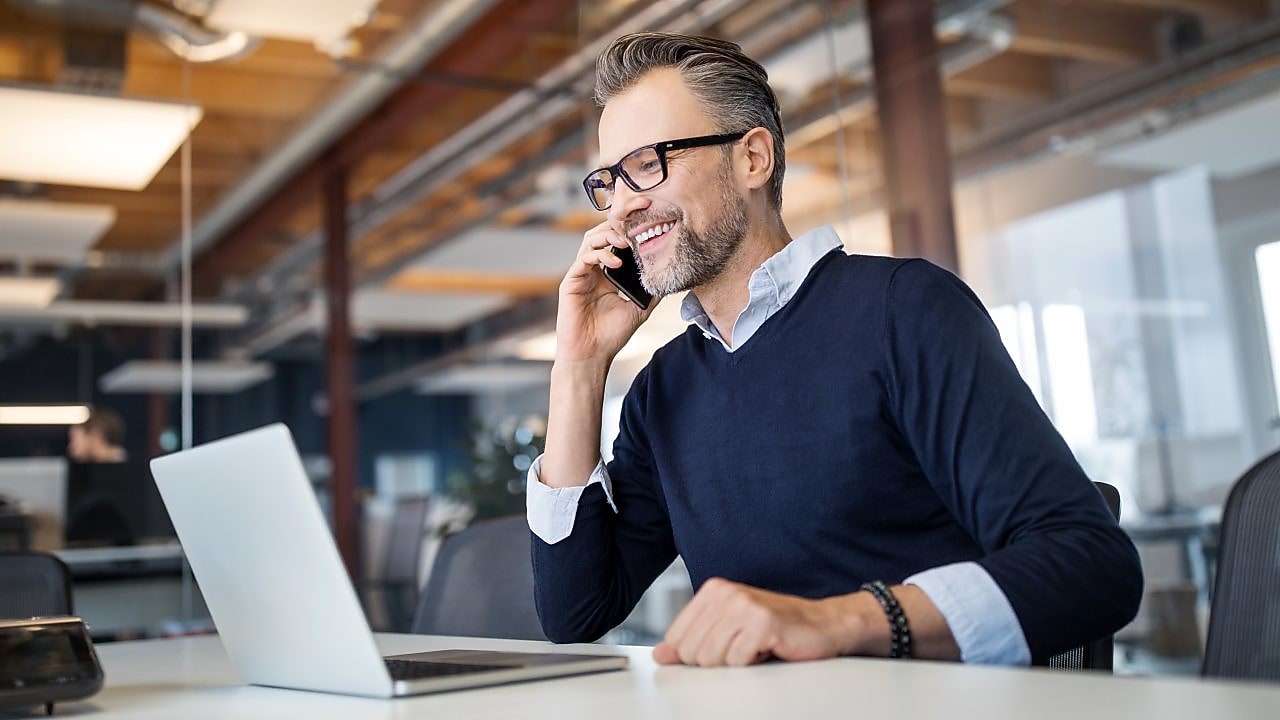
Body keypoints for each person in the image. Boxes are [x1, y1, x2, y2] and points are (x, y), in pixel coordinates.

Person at [526, 32, 1142, 667]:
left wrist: (838, 622)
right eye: (609, 181)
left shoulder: (905, 310)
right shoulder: (664, 389)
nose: (622, 207)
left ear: (752, 159)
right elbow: (575, 612)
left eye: (649, 163)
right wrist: (579, 366)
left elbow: (1092, 564)